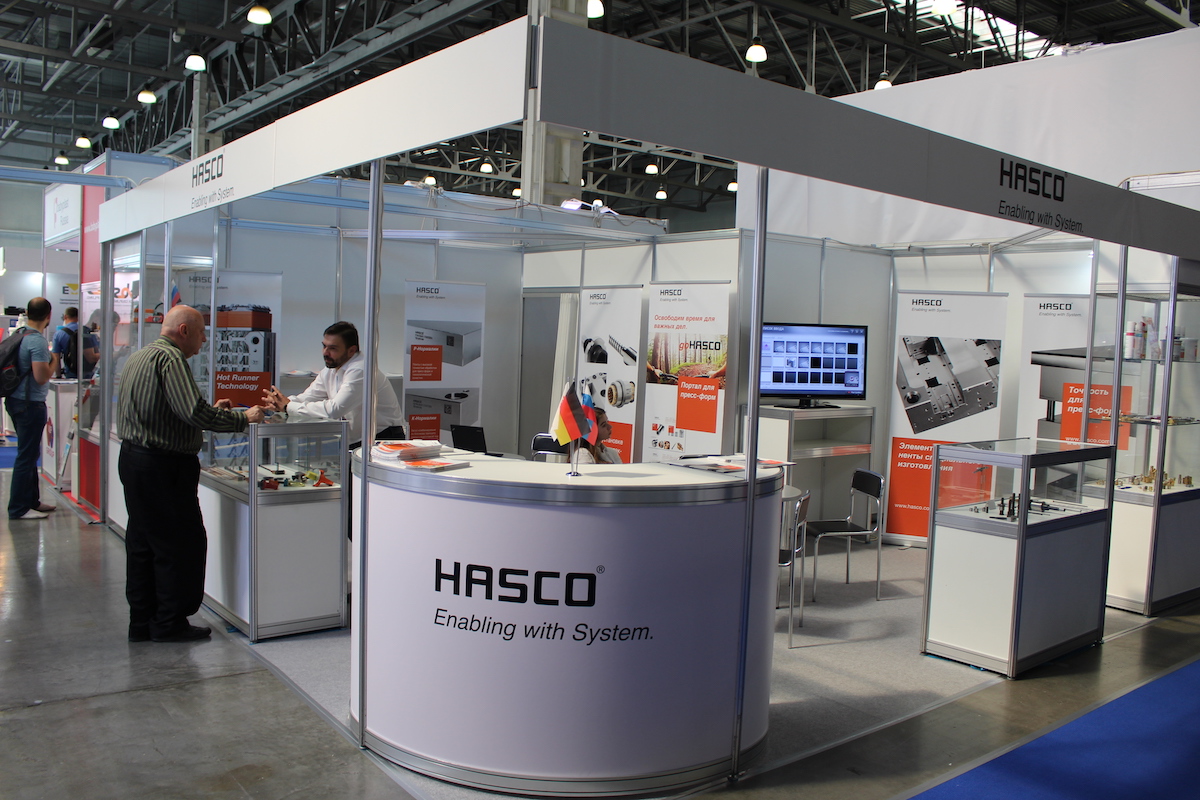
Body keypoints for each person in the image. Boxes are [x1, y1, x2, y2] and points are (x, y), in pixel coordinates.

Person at [117, 305, 266, 643]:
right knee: (179, 545)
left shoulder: (140, 356)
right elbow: (192, 413)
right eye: (201, 334)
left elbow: (166, 412)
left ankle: (142, 621)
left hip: (135, 461)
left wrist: (213, 411)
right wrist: (243, 418)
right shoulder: (171, 360)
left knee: (143, 544)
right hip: (164, 467)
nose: (203, 342)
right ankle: (169, 622)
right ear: (184, 331)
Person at [260, 321, 405, 448]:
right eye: (324, 346)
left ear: (351, 350)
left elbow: (334, 409)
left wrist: (288, 406)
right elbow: (308, 397)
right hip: (359, 440)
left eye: (332, 348)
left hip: (383, 439)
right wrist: (281, 402)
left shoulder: (361, 369)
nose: (325, 353)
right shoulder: (330, 369)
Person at [6, 298, 59, 520]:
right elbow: (41, 376)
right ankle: (19, 508)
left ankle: (31, 501)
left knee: (30, 453)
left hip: (16, 400)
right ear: (48, 316)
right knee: (26, 457)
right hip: (30, 405)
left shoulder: (19, 334)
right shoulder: (36, 341)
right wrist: (54, 360)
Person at [51, 306, 99, 379]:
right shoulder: (86, 331)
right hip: (88, 373)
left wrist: (58, 376)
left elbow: (56, 357)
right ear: (78, 317)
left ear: (65, 317)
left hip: (71, 373)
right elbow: (96, 351)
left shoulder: (59, 334)